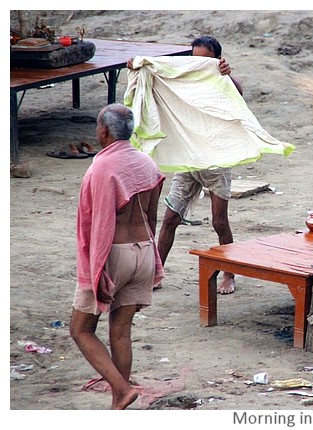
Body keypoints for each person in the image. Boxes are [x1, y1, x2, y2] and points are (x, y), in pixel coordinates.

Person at [128, 35, 242, 294]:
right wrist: (138, 65)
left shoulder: (220, 78)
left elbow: (239, 93)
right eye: (193, 58)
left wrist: (226, 75)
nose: (196, 64)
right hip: (188, 159)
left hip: (215, 160)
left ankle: (229, 274)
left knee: (219, 222)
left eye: (204, 60)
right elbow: (158, 71)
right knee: (170, 219)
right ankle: (156, 273)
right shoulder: (184, 77)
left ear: (216, 60)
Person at [70, 103, 165, 410]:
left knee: (81, 329)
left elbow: (99, 226)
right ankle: (118, 401)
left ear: (104, 131)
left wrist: (96, 273)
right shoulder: (147, 163)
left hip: (114, 254)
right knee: (120, 329)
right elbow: (152, 219)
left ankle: (122, 390)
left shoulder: (101, 167)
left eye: (98, 126)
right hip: (145, 252)